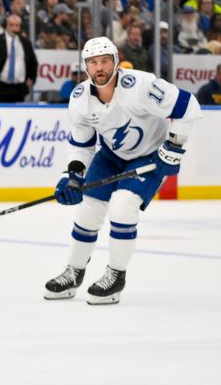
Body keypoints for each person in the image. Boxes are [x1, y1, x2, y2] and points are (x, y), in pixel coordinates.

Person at [44, 37, 202, 305]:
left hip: (149, 156)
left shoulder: (141, 86)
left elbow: (189, 107)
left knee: (123, 206)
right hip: (111, 156)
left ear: (116, 61)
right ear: (85, 67)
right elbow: (82, 145)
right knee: (88, 209)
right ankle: (73, 272)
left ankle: (116, 276)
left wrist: (173, 147)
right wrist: (72, 176)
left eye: (105, 61)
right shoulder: (80, 98)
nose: (99, 68)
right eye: (93, 63)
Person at [0, 14, 38, 103]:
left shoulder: (25, 42)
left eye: (17, 25)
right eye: (11, 25)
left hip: (19, 88)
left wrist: (32, 78)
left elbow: (33, 62)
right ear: (6, 25)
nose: (14, 28)